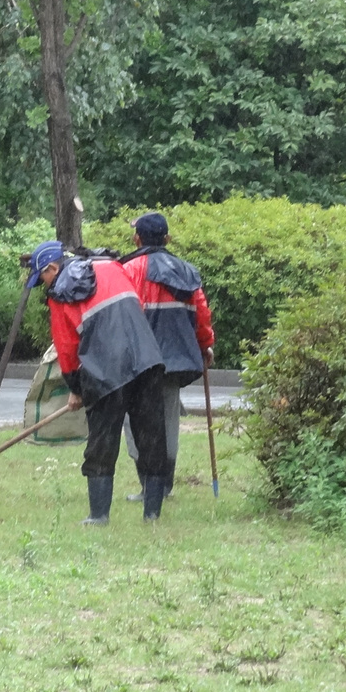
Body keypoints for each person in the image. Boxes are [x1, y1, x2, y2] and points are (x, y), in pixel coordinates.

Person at [30, 240, 169, 524]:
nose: (42, 285)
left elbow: (66, 348)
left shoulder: (59, 295)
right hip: (147, 358)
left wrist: (76, 389)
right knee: (152, 438)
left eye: (41, 277)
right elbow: (137, 307)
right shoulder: (111, 267)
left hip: (104, 371)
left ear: (53, 268)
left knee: (102, 443)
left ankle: (99, 515)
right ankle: (152, 514)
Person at [120, 211, 215, 501]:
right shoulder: (187, 271)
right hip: (175, 361)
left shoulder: (129, 270)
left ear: (137, 239)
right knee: (169, 420)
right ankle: (165, 487)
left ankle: (149, 486)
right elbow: (201, 314)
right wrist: (205, 345)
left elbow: (121, 316)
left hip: (139, 361)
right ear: (167, 239)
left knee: (136, 423)